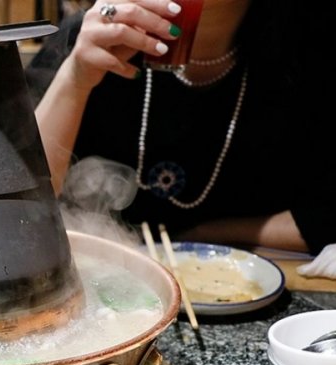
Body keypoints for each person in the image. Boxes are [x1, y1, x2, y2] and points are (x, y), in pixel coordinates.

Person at [27, 0, 336, 254]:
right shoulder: (96, 35)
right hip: (101, 281)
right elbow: (21, 204)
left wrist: (200, 235)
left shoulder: (308, 45)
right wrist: (76, 77)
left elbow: (325, 215)